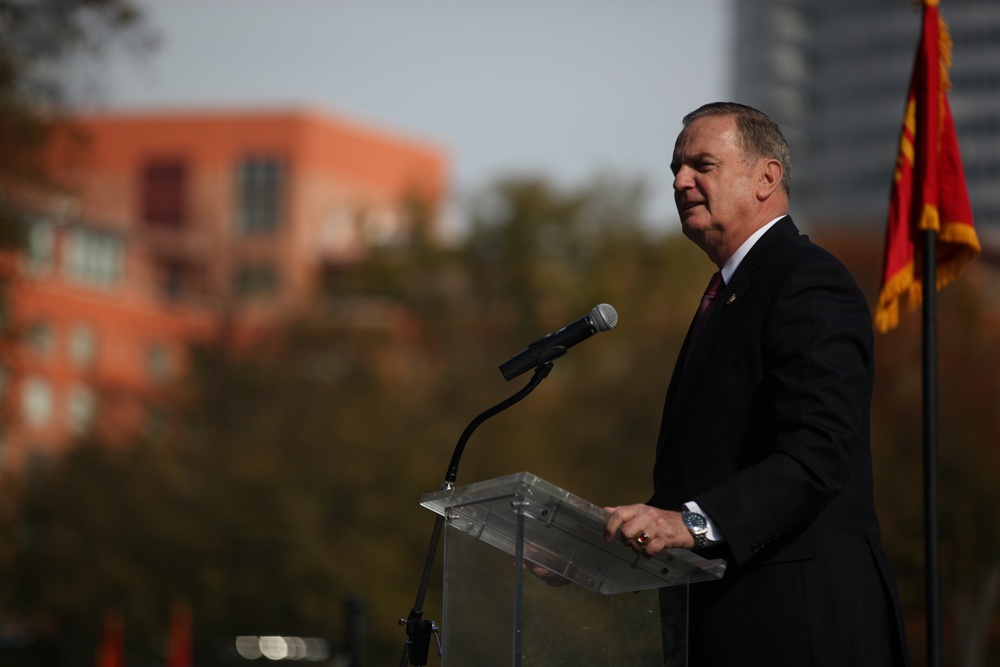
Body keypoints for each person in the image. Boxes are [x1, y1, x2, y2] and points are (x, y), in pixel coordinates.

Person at [603, 102, 910, 666]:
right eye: (675, 168)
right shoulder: (731, 293)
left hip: (799, 625)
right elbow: (715, 468)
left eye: (702, 165)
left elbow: (818, 453)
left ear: (766, 177)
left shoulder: (807, 279)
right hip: (725, 625)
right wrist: (613, 540)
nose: (679, 181)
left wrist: (691, 522)